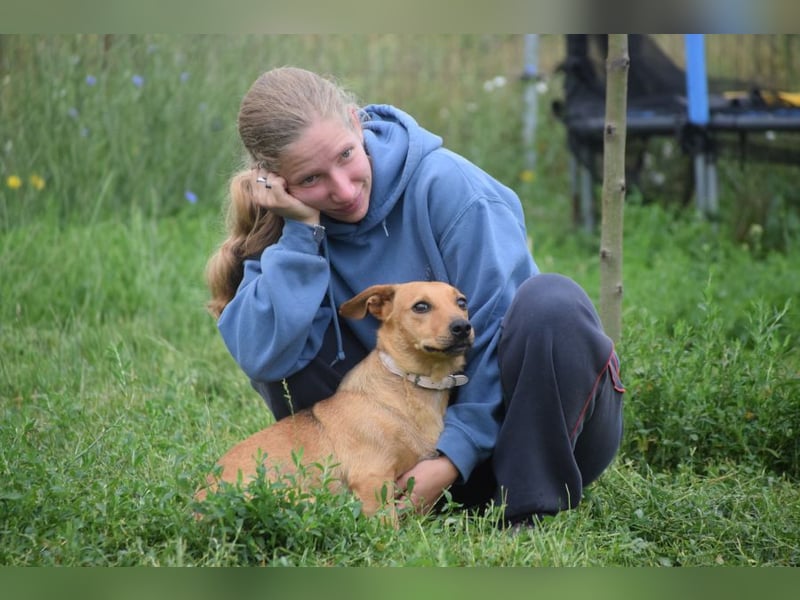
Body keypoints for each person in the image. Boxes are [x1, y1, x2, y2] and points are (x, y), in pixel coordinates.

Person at [205, 66, 625, 527]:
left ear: (356, 122)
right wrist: (302, 234)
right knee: (281, 326)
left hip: (535, 443)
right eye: (310, 179)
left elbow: (497, 332)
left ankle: (528, 511)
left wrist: (452, 458)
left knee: (552, 302)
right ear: (274, 182)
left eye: (346, 155)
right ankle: (356, 503)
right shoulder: (289, 226)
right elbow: (263, 357)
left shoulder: (451, 188)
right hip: (390, 467)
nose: (342, 190)